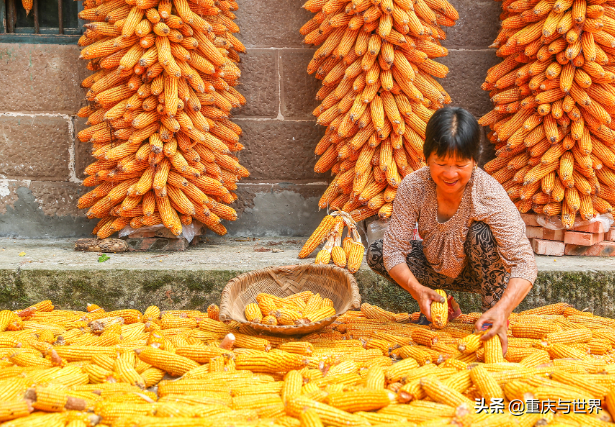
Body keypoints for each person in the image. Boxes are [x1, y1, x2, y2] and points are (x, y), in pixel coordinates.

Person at [366, 106, 537, 354]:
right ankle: (439, 300)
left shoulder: (487, 192)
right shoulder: (413, 187)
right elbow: (393, 252)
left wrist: (503, 308)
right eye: (441, 162)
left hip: (481, 272)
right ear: (427, 158)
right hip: (434, 266)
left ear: (475, 161)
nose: (450, 174)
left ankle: (493, 314)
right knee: (377, 252)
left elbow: (524, 262)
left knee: (482, 234)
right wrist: (417, 290)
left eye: (460, 164)